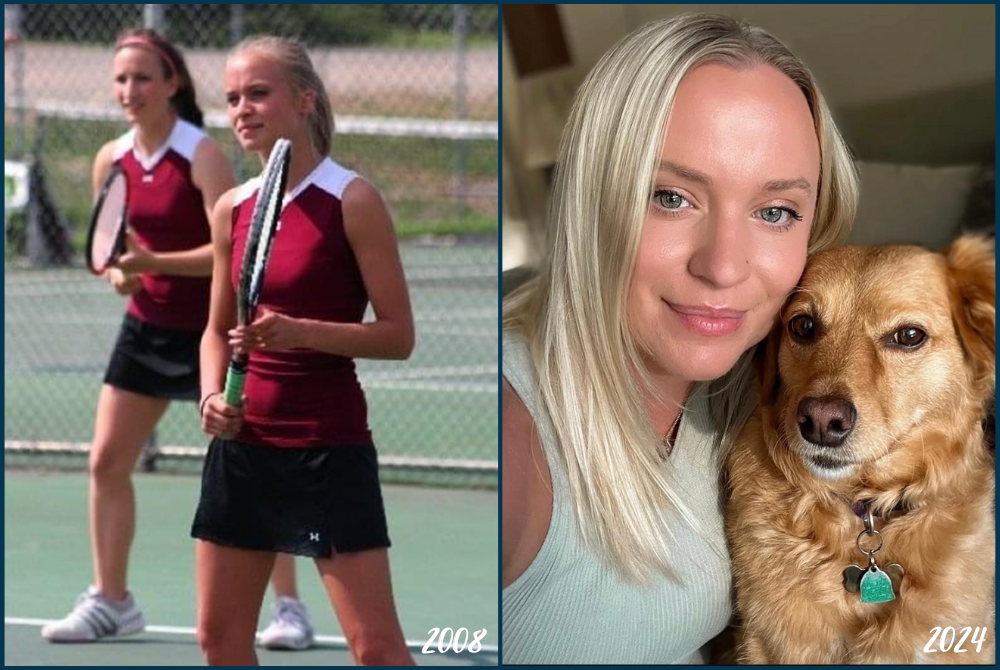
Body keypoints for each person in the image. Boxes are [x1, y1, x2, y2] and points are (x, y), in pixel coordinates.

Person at [501, 13, 859, 664]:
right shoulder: (510, 442)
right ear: (592, 195)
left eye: (774, 212)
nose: (723, 266)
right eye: (670, 197)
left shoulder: (769, 385)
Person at [193, 36, 416, 666]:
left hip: (327, 449)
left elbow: (398, 335)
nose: (243, 108)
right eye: (233, 98)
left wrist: (304, 331)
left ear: (305, 99)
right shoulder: (230, 209)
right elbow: (214, 328)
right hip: (242, 451)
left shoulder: (353, 200)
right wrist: (211, 395)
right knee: (220, 640)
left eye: (258, 93)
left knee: (374, 648)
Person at [41, 28, 235, 643]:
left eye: (143, 77)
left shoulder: (201, 154)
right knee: (105, 462)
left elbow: (229, 252)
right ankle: (112, 600)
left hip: (212, 328)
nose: (130, 90)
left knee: (251, 471)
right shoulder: (111, 158)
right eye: (121, 79)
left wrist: (151, 264)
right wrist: (124, 279)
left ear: (172, 83)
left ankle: (286, 606)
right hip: (147, 328)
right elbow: (116, 252)